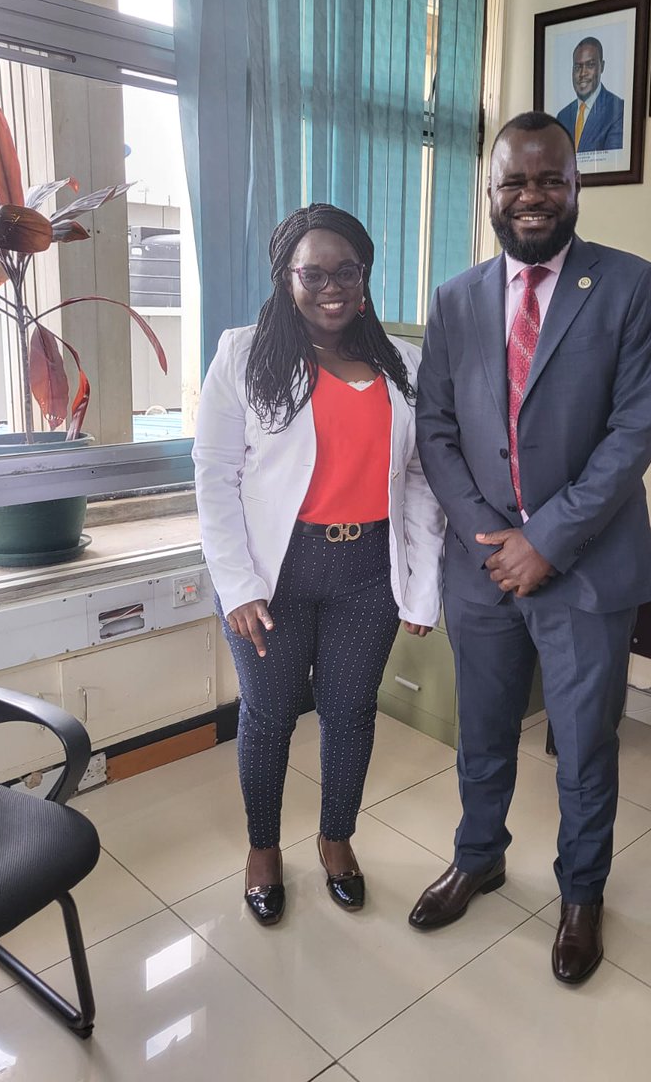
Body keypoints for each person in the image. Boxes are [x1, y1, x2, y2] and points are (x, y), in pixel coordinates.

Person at [409, 112, 651, 984]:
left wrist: (547, 541)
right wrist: (492, 535)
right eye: (513, 182)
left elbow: (635, 431)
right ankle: (479, 855)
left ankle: (581, 893)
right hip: (482, 567)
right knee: (481, 732)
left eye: (549, 180)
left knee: (585, 745)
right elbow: (435, 427)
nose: (531, 197)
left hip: (587, 569)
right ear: (489, 192)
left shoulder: (632, 287)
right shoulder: (454, 298)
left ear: (576, 186)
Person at [193, 203, 444, 926]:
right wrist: (236, 585)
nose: (330, 285)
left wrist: (421, 587)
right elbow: (214, 477)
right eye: (313, 272)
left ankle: (337, 840)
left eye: (347, 271)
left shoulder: (403, 364)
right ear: (286, 277)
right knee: (270, 717)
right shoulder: (243, 354)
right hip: (275, 577)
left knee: (350, 714)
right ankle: (264, 851)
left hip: (369, 572)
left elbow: (423, 480)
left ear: (364, 279)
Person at [555, 37, 624, 152]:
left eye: (590, 65)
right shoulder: (562, 116)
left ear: (602, 66)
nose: (582, 73)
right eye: (577, 67)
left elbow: (611, 161)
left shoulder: (617, 110)